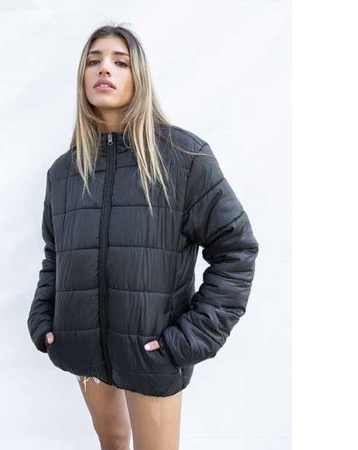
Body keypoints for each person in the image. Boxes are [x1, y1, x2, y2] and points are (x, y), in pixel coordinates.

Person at [27, 24, 259, 450]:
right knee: (112, 441)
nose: (105, 69)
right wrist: (44, 321)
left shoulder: (184, 158)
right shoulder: (64, 173)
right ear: (82, 76)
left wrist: (188, 339)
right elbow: (54, 255)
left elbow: (235, 249)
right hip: (82, 347)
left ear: (140, 77)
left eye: (120, 62)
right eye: (94, 61)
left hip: (153, 351)